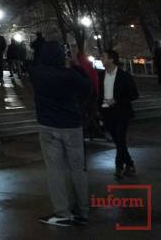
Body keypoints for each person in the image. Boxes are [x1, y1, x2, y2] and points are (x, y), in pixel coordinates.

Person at [30, 41, 91, 227]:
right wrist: (76, 65)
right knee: (77, 170)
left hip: (49, 125)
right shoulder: (70, 75)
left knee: (55, 170)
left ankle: (62, 211)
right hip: (72, 125)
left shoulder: (37, 73)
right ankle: (82, 211)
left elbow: (34, 63)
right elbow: (88, 87)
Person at [99, 49, 139, 179]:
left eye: (103, 57)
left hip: (121, 112)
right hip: (107, 113)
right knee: (118, 141)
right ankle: (129, 164)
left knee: (120, 139)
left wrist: (116, 100)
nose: (101, 59)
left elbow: (134, 95)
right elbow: (99, 94)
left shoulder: (124, 76)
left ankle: (119, 166)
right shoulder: (101, 75)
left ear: (111, 59)